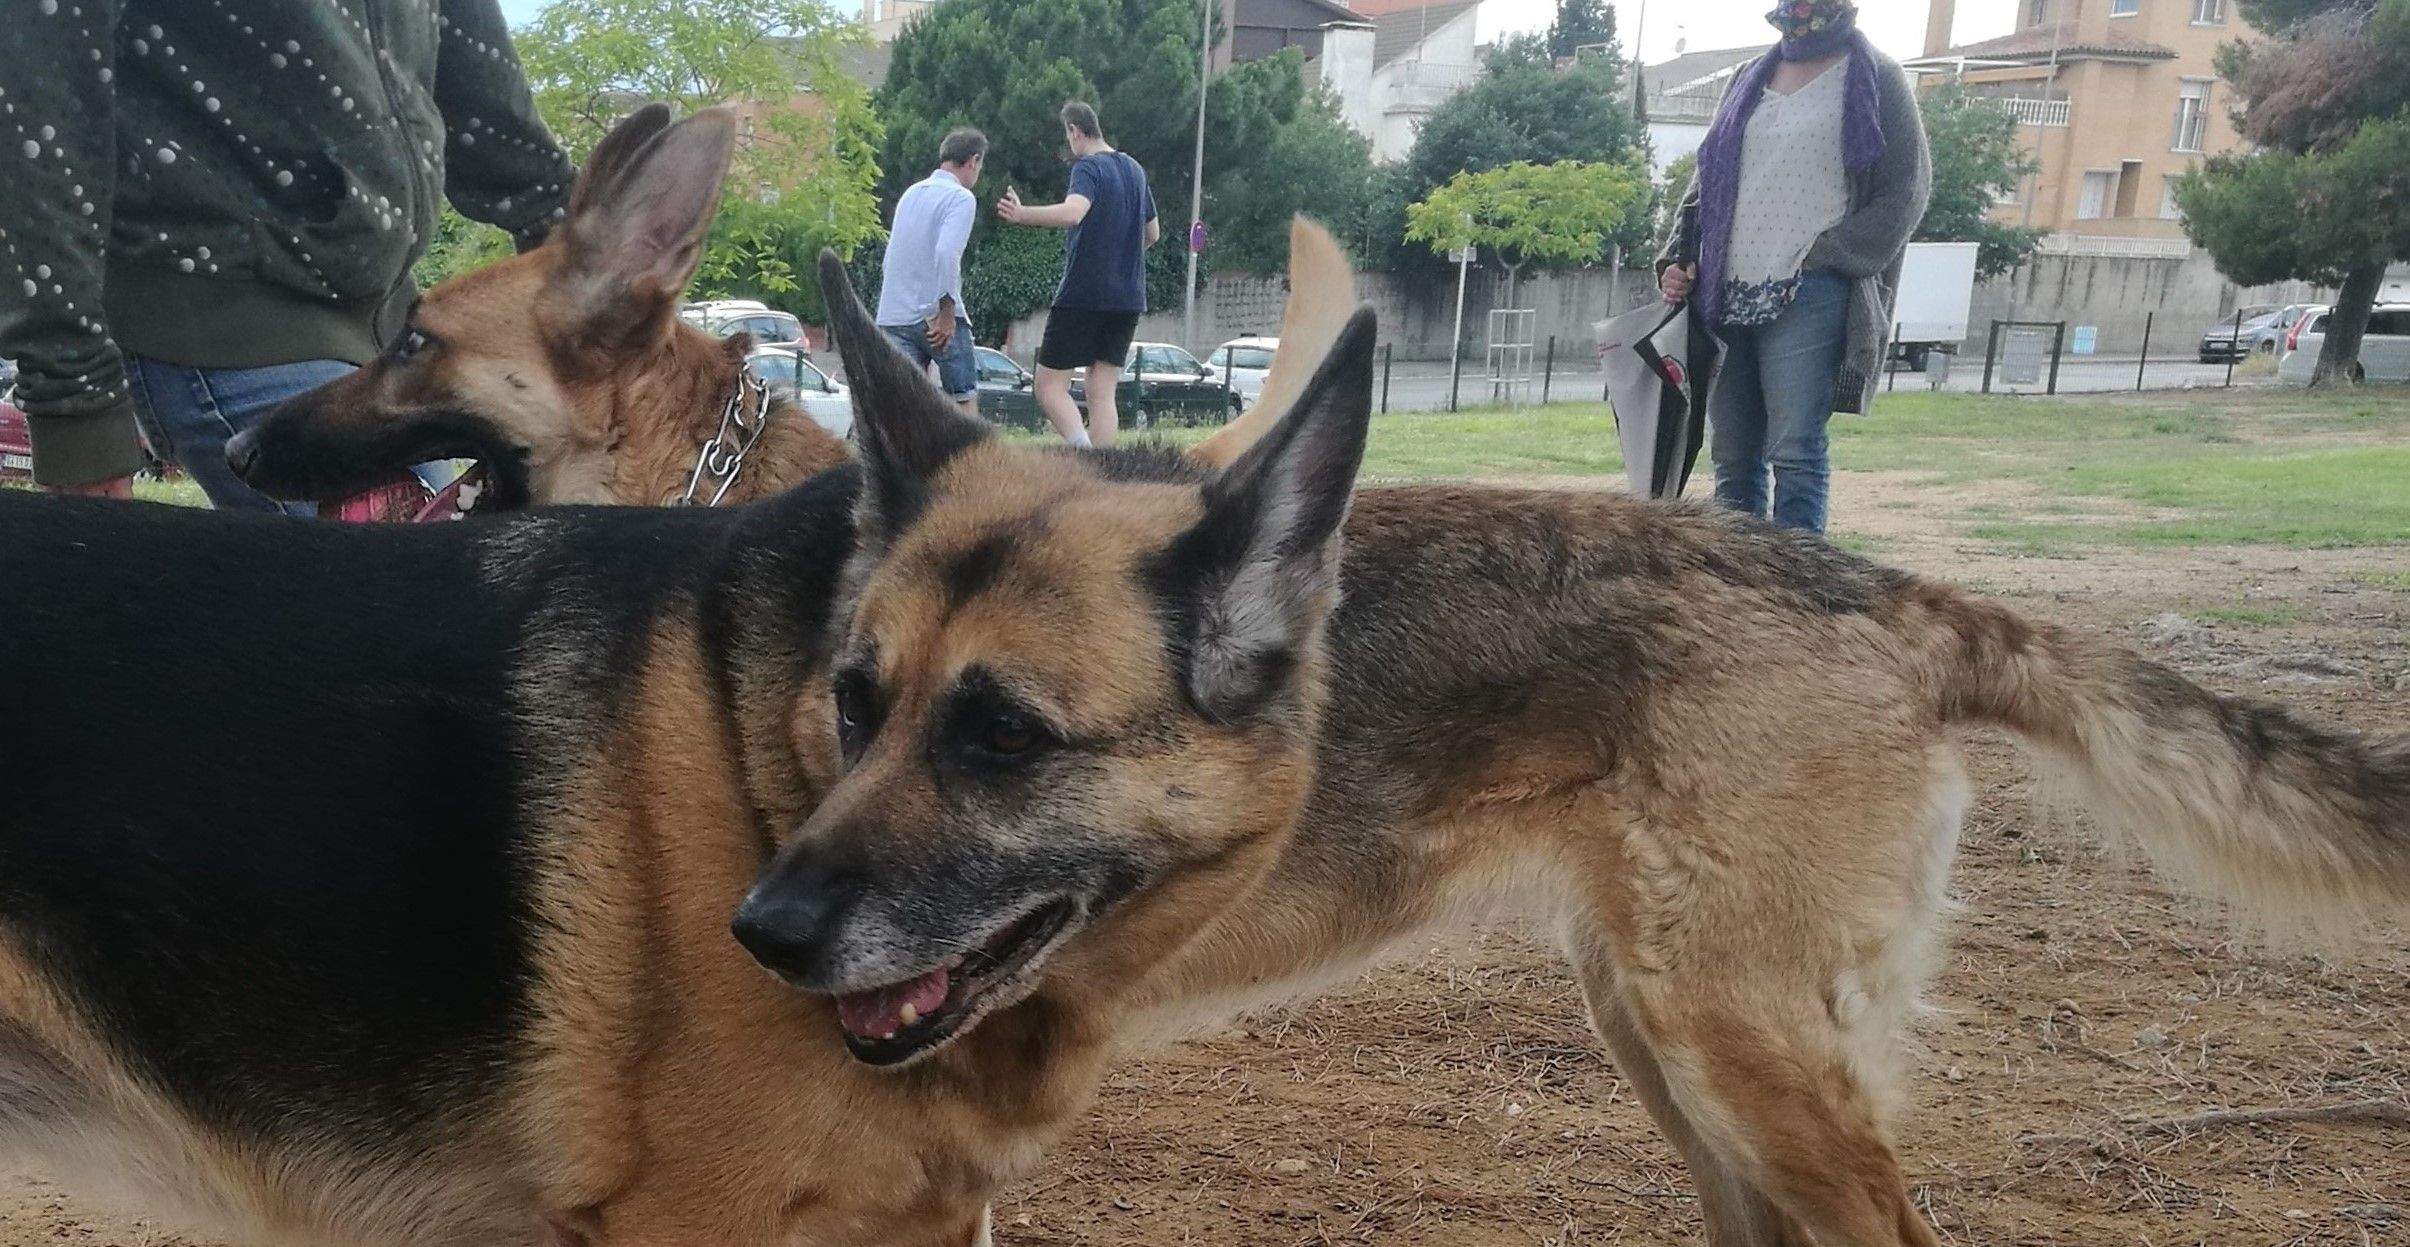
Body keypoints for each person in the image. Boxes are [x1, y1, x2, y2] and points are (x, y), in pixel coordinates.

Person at [0, 1, 576, 509]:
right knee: (416, 590)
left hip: (388, 334)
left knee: (452, 575)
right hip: (220, 317)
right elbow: (40, 101)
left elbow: (483, 88)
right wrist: (74, 406)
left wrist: (584, 259)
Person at [1658, 0, 1930, 534]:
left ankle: (1802, 584)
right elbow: (1705, 184)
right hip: (1723, 291)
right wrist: (1678, 257)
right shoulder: (1747, 77)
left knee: (1796, 450)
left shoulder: (1877, 76)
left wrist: (1828, 254)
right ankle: (1739, 580)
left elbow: (1906, 191)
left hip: (1810, 290)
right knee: (1732, 456)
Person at [996, 101, 1159, 449]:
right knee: (1102, 391)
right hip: (1128, 297)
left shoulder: (1088, 167)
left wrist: (1023, 215)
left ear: (1074, 130)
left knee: (1048, 386)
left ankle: (1084, 456)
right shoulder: (1135, 170)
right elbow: (1153, 233)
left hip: (1084, 293)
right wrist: (1120, 257)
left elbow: (1074, 213)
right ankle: (1104, 468)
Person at [876, 128, 986, 416]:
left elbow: (891, 257)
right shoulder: (961, 198)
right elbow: (947, 253)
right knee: (963, 401)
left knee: (902, 409)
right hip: (937, 318)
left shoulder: (910, 194)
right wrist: (947, 311)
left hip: (894, 315)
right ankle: (972, 450)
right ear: (973, 160)